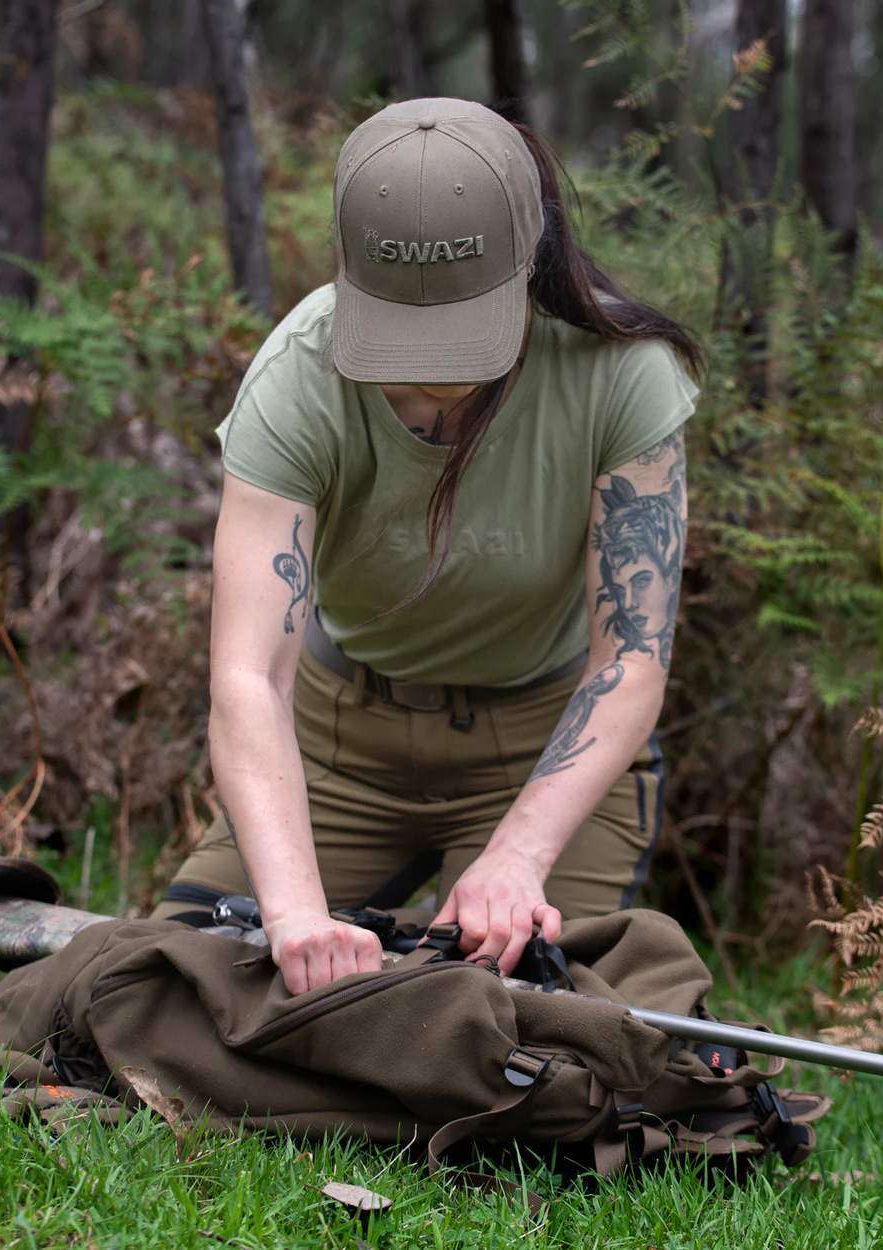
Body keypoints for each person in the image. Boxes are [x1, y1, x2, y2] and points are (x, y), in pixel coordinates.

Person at [151, 97, 705, 997]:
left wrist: (517, 859)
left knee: (529, 1019)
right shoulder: (299, 371)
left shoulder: (620, 371)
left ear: (531, 256)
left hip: (542, 745)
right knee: (186, 980)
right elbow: (250, 677)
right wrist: (292, 915)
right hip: (340, 742)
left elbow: (631, 662)